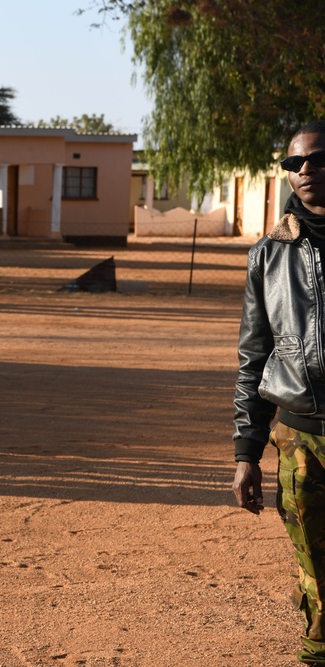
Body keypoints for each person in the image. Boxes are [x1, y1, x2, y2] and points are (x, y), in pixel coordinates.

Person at [233, 119, 325, 664]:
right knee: (316, 577)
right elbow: (254, 358)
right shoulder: (269, 253)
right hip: (301, 444)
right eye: (294, 163)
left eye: (316, 159)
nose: (304, 170)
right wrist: (247, 454)